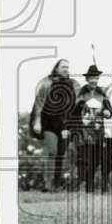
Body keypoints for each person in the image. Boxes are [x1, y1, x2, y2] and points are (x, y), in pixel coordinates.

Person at [29, 59, 79, 191]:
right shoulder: (47, 82)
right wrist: (37, 121)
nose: (66, 69)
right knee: (52, 151)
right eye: (63, 67)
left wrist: (68, 128)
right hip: (48, 123)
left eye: (67, 67)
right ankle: (48, 184)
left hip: (64, 126)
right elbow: (39, 102)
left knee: (61, 154)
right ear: (56, 68)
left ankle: (56, 185)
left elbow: (73, 108)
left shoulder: (72, 84)